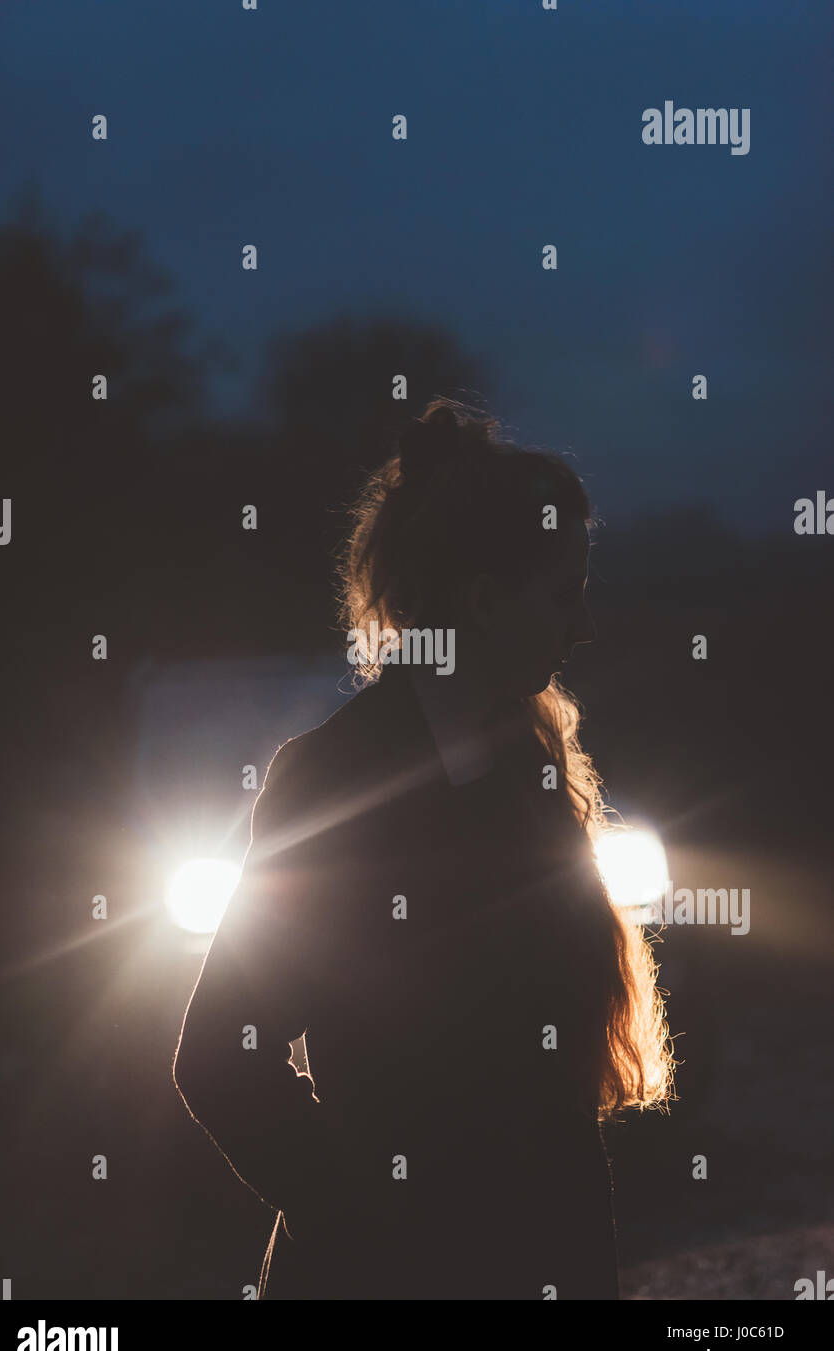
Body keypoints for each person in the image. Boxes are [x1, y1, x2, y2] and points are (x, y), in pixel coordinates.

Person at [173, 397, 673, 1300]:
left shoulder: (525, 760)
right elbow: (220, 1053)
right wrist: (373, 1228)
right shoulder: (337, 779)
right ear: (483, 600)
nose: (584, 626)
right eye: (565, 594)